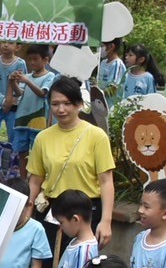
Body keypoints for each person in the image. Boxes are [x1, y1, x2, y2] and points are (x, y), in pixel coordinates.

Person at [25, 78, 115, 254]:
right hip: (52, 211)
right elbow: (35, 180)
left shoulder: (96, 136)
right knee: (47, 266)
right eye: (55, 104)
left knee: (81, 267)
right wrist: (28, 212)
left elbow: (106, 181)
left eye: (67, 103)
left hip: (86, 211)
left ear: (79, 104)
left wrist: (106, 221)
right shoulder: (42, 138)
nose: (61, 109)